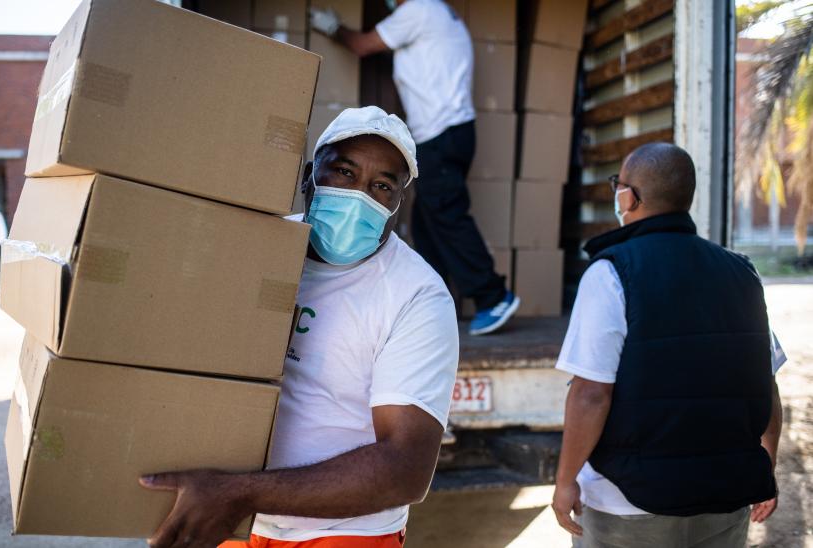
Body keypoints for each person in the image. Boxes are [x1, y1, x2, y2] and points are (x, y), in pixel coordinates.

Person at [139, 107, 459, 548]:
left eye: (382, 186)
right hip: (226, 519)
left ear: (397, 203)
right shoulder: (260, 249)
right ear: (310, 175)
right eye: (344, 172)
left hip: (339, 534)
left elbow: (405, 468)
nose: (359, 196)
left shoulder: (417, 295)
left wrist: (238, 493)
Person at [551, 143, 785, 548]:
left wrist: (564, 481)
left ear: (630, 197)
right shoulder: (741, 274)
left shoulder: (612, 272)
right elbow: (766, 384)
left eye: (618, 185)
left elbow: (590, 394)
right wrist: (766, 464)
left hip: (626, 507)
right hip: (723, 502)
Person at [308, 0, 519, 335]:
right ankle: (431, 306)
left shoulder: (419, 9)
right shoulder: (439, 13)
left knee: (447, 215)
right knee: (426, 223)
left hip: (441, 135)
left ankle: (492, 296)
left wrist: (333, 27)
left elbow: (363, 45)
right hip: (452, 133)